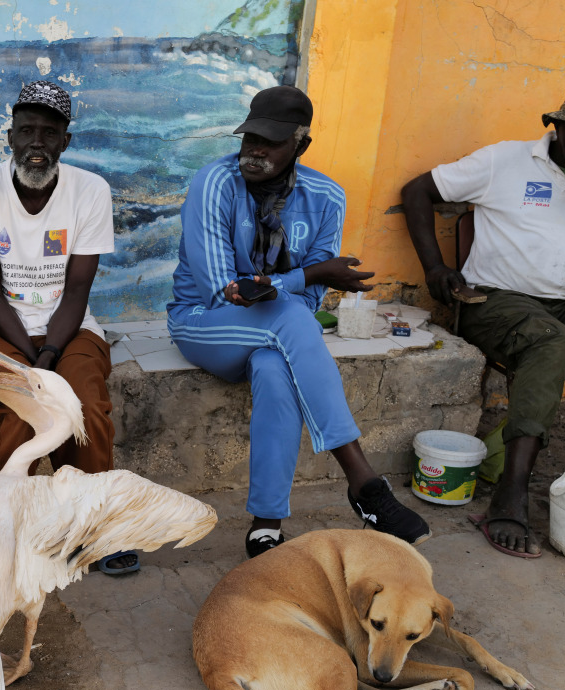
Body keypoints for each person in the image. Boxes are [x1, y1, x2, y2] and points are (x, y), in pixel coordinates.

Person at [167, 85, 430, 559]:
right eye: (250, 139)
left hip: (276, 329)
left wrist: (294, 283)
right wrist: (309, 272)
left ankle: (266, 522)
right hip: (203, 321)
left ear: (301, 145)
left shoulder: (327, 196)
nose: (255, 151)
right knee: (287, 322)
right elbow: (224, 288)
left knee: (274, 365)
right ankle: (363, 482)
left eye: (270, 142)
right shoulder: (215, 182)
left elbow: (307, 302)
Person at [0, 81, 135, 576]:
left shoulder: (90, 191)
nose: (37, 143)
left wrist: (50, 354)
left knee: (85, 404)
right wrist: (31, 364)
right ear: (9, 136)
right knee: (25, 408)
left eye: (49, 134)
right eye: (26, 131)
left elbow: (77, 291)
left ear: (65, 142)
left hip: (69, 329)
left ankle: (94, 527)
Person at [401, 82, 565, 558]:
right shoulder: (506, 160)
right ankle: (511, 493)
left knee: (556, 332)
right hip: (494, 301)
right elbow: (417, 189)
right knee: (552, 342)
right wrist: (436, 268)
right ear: (558, 127)